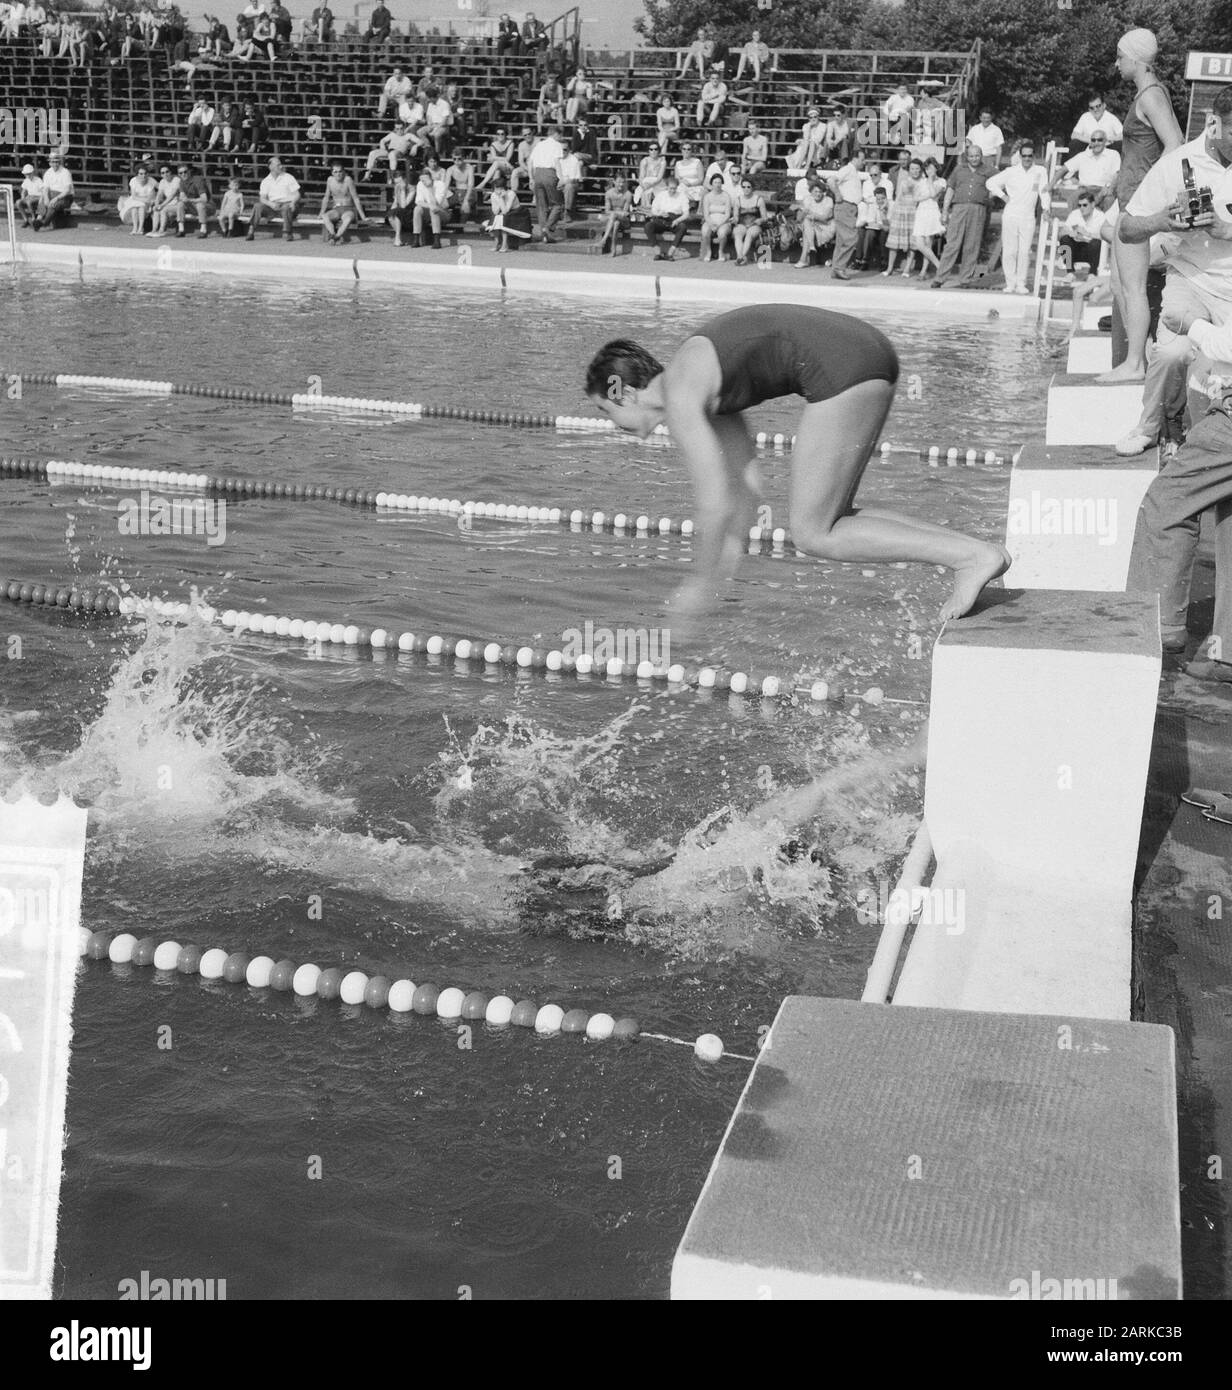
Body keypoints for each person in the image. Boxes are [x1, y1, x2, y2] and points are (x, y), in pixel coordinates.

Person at [585, 306, 1010, 625]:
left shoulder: (681, 397)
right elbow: (746, 488)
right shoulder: (698, 385)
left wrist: (696, 584)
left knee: (812, 533)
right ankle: (978, 554)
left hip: (841, 364)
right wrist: (724, 572)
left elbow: (712, 502)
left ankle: (970, 557)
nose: (613, 424)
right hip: (861, 349)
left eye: (607, 411)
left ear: (622, 392)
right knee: (829, 519)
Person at [1114, 83, 1232, 462]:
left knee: (1217, 359)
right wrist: (1161, 220)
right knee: (1172, 353)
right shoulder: (1177, 164)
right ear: (1213, 123)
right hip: (1191, 278)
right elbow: (1127, 228)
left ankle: (1200, 440)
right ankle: (1149, 426)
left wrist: (1226, 229)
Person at [1099, 28, 1185, 383]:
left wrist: (1152, 191)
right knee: (1120, 282)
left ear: (1135, 59)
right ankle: (1137, 357)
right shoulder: (1147, 94)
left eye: (1120, 57)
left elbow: (1175, 143)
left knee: (1132, 285)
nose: (1117, 63)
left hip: (1138, 203)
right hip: (1129, 198)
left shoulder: (1151, 95)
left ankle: (1135, 364)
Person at [985, 141, 1049, 294]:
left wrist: (1046, 208)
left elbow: (1044, 191)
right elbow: (990, 183)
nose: (1027, 158)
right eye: (1024, 156)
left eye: (1030, 156)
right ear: (1020, 156)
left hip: (1028, 216)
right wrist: (1003, 196)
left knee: (1024, 251)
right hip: (1011, 214)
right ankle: (1010, 283)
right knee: (1009, 251)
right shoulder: (1011, 171)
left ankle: (1021, 283)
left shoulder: (1040, 171)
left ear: (1034, 156)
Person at [931, 141, 991, 287]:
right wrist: (945, 211)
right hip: (959, 208)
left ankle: (965, 279)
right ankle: (940, 277)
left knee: (972, 244)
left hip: (978, 209)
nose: (974, 159)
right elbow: (950, 190)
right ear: (967, 157)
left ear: (981, 156)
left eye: (977, 156)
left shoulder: (989, 170)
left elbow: (1001, 183)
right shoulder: (959, 169)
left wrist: (991, 196)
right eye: (971, 156)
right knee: (952, 243)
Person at [1050, 130, 1121, 211]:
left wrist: (1110, 189)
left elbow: (1118, 174)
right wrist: (1050, 185)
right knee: (1073, 199)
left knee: (1109, 200)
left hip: (1104, 189)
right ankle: (1076, 223)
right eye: (1093, 140)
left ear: (1105, 141)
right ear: (1090, 142)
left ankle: (1105, 224)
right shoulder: (1083, 156)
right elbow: (1063, 169)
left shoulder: (1113, 154)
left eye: (1100, 140)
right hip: (1085, 190)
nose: (1096, 142)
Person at [883, 156, 923, 277]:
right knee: (894, 241)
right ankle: (889, 268)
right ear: (909, 170)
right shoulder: (904, 181)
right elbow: (898, 197)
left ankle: (907, 269)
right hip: (901, 211)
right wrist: (892, 214)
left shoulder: (923, 182)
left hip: (914, 213)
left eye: (917, 169)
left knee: (912, 242)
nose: (914, 171)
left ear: (920, 170)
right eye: (912, 168)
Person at [827, 150, 864, 280]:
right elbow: (831, 180)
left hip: (850, 208)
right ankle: (839, 268)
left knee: (842, 241)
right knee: (851, 239)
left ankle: (835, 269)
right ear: (855, 158)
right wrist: (837, 194)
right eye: (862, 159)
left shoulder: (853, 172)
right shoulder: (848, 169)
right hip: (845, 207)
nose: (863, 162)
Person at [246, 155, 299, 241]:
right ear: (271, 167)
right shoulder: (266, 181)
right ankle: (251, 231)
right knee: (257, 206)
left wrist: (293, 202)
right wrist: (271, 204)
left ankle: (288, 233)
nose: (281, 167)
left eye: (280, 164)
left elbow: (297, 194)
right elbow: (262, 198)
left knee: (286, 207)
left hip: (288, 204)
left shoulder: (288, 177)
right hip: (273, 206)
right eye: (278, 165)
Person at [528, 123, 566, 240]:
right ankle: (547, 228)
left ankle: (544, 233)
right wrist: (561, 178)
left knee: (541, 206)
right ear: (556, 134)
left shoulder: (539, 144)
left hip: (537, 174)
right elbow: (556, 162)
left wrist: (531, 178)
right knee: (558, 204)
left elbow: (530, 162)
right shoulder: (557, 145)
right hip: (549, 173)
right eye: (560, 135)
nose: (561, 137)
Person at [910, 157, 945, 278]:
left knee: (928, 243)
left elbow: (934, 194)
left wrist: (930, 180)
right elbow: (915, 198)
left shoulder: (941, 181)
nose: (929, 171)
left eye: (931, 168)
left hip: (932, 211)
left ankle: (923, 271)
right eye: (927, 168)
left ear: (936, 168)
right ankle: (939, 266)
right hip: (921, 211)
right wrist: (927, 195)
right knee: (920, 244)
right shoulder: (921, 182)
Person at [644, 174, 691, 260]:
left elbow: (686, 214)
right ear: (667, 187)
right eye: (670, 188)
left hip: (675, 219)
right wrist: (660, 214)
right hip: (661, 219)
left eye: (674, 188)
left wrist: (677, 220)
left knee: (683, 227)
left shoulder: (682, 196)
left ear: (677, 187)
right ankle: (657, 252)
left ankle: (670, 253)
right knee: (648, 226)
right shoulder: (661, 195)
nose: (672, 190)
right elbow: (654, 210)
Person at [794, 172, 834, 269]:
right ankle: (809, 250)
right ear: (811, 192)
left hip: (826, 227)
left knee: (807, 228)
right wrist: (803, 212)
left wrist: (813, 215)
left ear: (823, 192)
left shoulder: (828, 200)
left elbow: (825, 217)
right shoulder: (808, 199)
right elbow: (799, 219)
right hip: (812, 227)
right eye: (815, 192)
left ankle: (804, 259)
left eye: (820, 192)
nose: (818, 194)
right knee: (807, 223)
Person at [1058, 194, 1105, 274]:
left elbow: (1106, 237)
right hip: (1076, 250)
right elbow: (1061, 234)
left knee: (1096, 243)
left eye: (1085, 205)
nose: (1081, 208)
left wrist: (1088, 234)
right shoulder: (1074, 214)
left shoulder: (1101, 216)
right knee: (1065, 239)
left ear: (1093, 204)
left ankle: (1092, 273)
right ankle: (1070, 272)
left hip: (1093, 252)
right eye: (1079, 205)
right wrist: (1071, 233)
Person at [320, 161, 365, 243]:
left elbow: (355, 198)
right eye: (335, 172)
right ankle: (333, 235)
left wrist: (363, 216)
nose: (338, 174)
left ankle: (335, 237)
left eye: (340, 171)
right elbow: (326, 197)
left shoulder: (348, 180)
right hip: (336, 209)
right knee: (325, 216)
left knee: (347, 219)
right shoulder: (330, 180)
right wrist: (321, 212)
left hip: (348, 209)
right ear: (332, 173)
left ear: (344, 172)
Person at [731, 175, 768, 265]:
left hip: (755, 224)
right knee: (737, 234)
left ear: (752, 188)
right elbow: (736, 216)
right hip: (742, 223)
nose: (746, 189)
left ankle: (740, 257)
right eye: (743, 187)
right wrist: (734, 219)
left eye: (748, 187)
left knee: (749, 235)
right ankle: (740, 257)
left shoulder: (759, 199)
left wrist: (760, 220)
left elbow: (765, 217)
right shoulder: (738, 200)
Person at [698, 173, 734, 263]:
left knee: (722, 233)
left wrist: (718, 225)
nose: (717, 184)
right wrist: (711, 224)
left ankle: (720, 251)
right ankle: (708, 252)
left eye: (719, 182)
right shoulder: (707, 197)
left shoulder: (726, 196)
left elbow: (727, 214)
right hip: (710, 220)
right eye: (715, 182)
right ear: (711, 184)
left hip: (723, 221)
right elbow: (706, 214)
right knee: (705, 231)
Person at [174, 162, 212, 237]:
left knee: (200, 205)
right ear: (178, 174)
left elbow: (204, 199)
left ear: (189, 171)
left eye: (185, 172)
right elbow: (182, 196)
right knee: (180, 204)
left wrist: (189, 200)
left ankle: (203, 230)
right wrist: (182, 199)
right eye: (180, 173)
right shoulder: (181, 182)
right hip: (193, 206)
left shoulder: (198, 180)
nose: (183, 174)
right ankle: (181, 230)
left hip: (208, 206)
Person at [598, 174, 632, 256]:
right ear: (614, 182)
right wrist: (616, 213)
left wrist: (615, 213)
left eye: (623, 182)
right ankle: (613, 249)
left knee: (614, 216)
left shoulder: (628, 194)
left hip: (624, 220)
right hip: (612, 219)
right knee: (616, 223)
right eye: (619, 182)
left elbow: (625, 213)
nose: (621, 184)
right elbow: (607, 210)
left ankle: (604, 239)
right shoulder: (609, 193)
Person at [411, 167, 443, 248]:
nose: (424, 182)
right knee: (417, 209)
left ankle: (437, 240)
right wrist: (429, 205)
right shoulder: (420, 184)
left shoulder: (440, 184)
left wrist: (429, 188)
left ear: (431, 178)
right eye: (422, 180)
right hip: (429, 209)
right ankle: (416, 239)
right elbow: (418, 201)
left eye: (425, 180)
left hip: (442, 211)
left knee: (434, 210)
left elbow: (436, 204)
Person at [635, 140, 666, 208]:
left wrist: (650, 185)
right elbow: (641, 177)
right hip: (646, 183)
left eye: (656, 149)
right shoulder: (644, 161)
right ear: (648, 151)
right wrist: (643, 185)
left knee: (648, 184)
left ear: (658, 150)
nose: (653, 151)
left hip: (658, 183)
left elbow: (659, 178)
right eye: (651, 149)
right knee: (645, 183)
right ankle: (645, 207)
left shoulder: (662, 161)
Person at [17, 163, 44, 227]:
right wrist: (23, 198)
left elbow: (43, 191)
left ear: (32, 173)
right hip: (29, 197)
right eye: (26, 174)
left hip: (38, 196)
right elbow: (23, 191)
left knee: (29, 202)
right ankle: (26, 220)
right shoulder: (26, 180)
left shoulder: (38, 180)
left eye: (29, 173)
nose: (27, 175)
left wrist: (40, 199)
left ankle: (33, 219)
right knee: (18, 202)